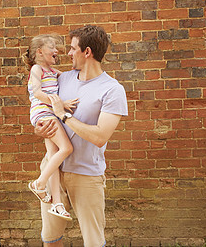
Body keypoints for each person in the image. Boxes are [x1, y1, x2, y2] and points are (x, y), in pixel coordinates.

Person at [34, 25, 128, 246]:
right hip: (53, 172)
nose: (68, 53)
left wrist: (64, 116)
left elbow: (100, 136)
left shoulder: (112, 90)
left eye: (73, 48)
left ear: (87, 52)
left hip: (86, 176)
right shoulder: (62, 79)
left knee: (94, 242)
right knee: (50, 238)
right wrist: (39, 129)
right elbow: (43, 110)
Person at [23, 34, 79, 221]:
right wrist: (60, 104)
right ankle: (38, 184)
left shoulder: (53, 71)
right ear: (40, 51)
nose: (56, 51)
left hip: (50, 114)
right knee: (67, 148)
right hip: (44, 114)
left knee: (53, 155)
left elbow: (73, 76)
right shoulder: (37, 69)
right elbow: (37, 92)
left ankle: (57, 204)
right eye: (52, 47)